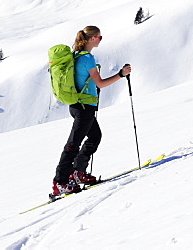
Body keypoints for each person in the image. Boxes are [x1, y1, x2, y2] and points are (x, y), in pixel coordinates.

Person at [51, 25, 132, 197]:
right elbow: (100, 83)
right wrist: (121, 74)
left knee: (95, 136)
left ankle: (78, 173)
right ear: (92, 38)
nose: (100, 40)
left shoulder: (76, 56)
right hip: (84, 107)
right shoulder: (87, 58)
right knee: (73, 145)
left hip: (77, 105)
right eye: (99, 37)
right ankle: (60, 182)